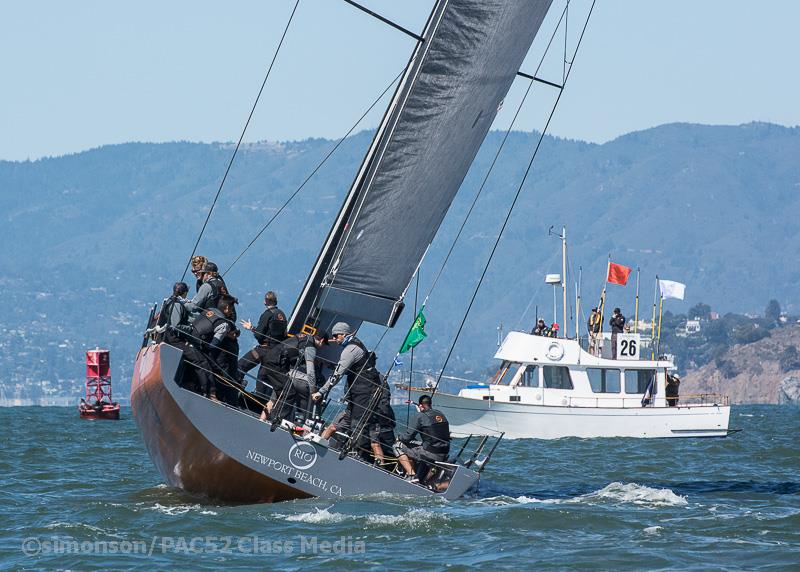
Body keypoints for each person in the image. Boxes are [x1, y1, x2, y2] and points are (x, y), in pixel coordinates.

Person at [312, 322, 383, 454]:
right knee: (344, 420)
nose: (335, 339)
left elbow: (337, 375)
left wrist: (321, 391)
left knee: (357, 424)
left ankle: (354, 453)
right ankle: (326, 445)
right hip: (357, 393)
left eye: (336, 336)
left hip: (362, 393)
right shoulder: (357, 345)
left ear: (344, 334)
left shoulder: (350, 350)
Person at [160, 283, 217, 399]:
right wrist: (190, 328)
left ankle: (201, 389)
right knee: (201, 361)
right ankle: (208, 392)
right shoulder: (176, 304)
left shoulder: (170, 301)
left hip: (171, 339)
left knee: (198, 359)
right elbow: (175, 326)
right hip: (175, 340)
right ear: (185, 292)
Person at [396, 394, 451, 483]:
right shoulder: (440, 414)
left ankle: (411, 475)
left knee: (397, 445)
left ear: (421, 405)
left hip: (431, 453)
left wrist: (399, 437)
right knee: (420, 444)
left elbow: (408, 437)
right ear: (430, 404)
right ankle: (420, 477)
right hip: (444, 452)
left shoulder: (420, 416)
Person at [190, 301, 237, 400]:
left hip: (190, 338)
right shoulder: (224, 324)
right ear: (227, 308)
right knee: (217, 369)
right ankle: (213, 394)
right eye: (231, 310)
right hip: (199, 346)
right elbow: (214, 344)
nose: (231, 313)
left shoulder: (209, 310)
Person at [284, 330, 328, 423]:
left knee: (283, 405)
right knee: (303, 413)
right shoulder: (311, 349)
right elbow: (311, 372)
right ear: (321, 341)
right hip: (303, 383)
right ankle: (297, 430)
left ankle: (272, 421)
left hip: (289, 377)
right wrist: (313, 391)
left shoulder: (301, 341)